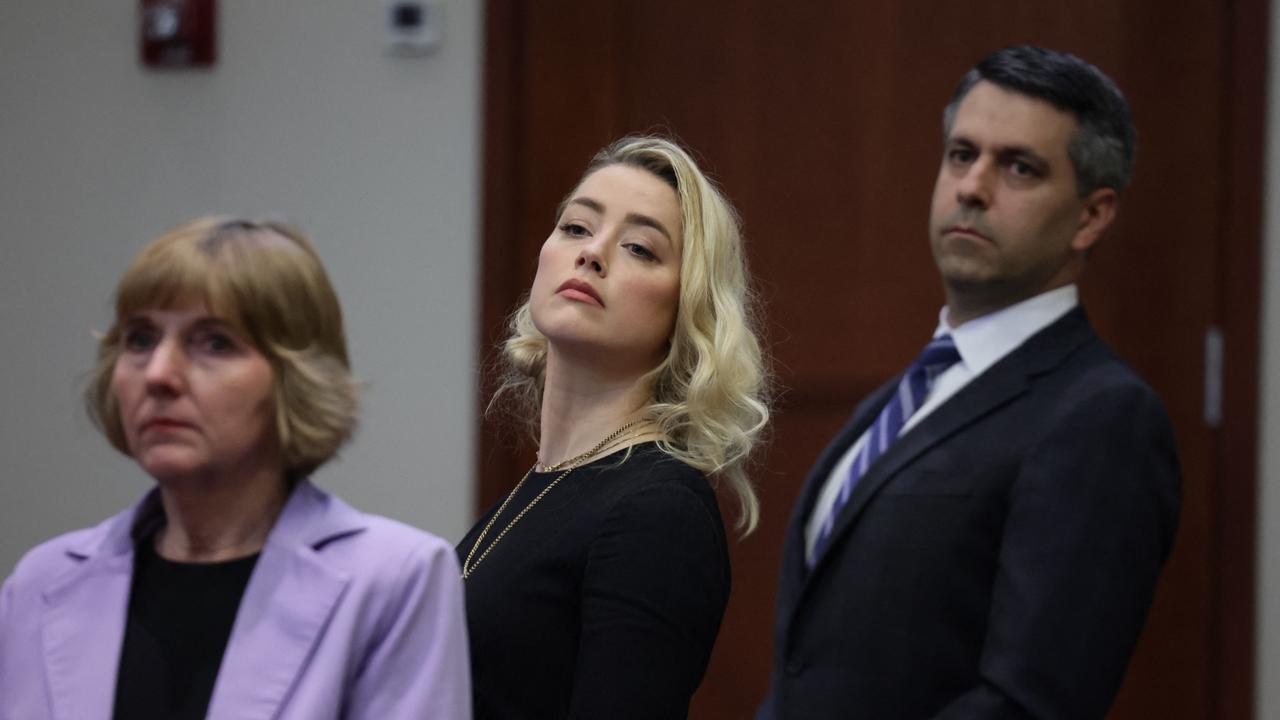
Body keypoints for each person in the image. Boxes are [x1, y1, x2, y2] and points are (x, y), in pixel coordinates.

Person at [759, 46, 1181, 719]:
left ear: (1091, 216)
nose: (973, 187)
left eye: (1019, 167)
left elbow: (1032, 702)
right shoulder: (900, 399)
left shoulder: (1102, 416)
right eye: (961, 154)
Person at [0, 217, 471, 720]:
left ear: (295, 377)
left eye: (214, 343)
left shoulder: (393, 579)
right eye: (140, 339)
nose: (159, 374)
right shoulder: (40, 582)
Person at [458, 135, 770, 719]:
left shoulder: (657, 510)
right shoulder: (541, 487)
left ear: (687, 309)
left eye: (639, 248)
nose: (593, 252)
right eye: (576, 227)